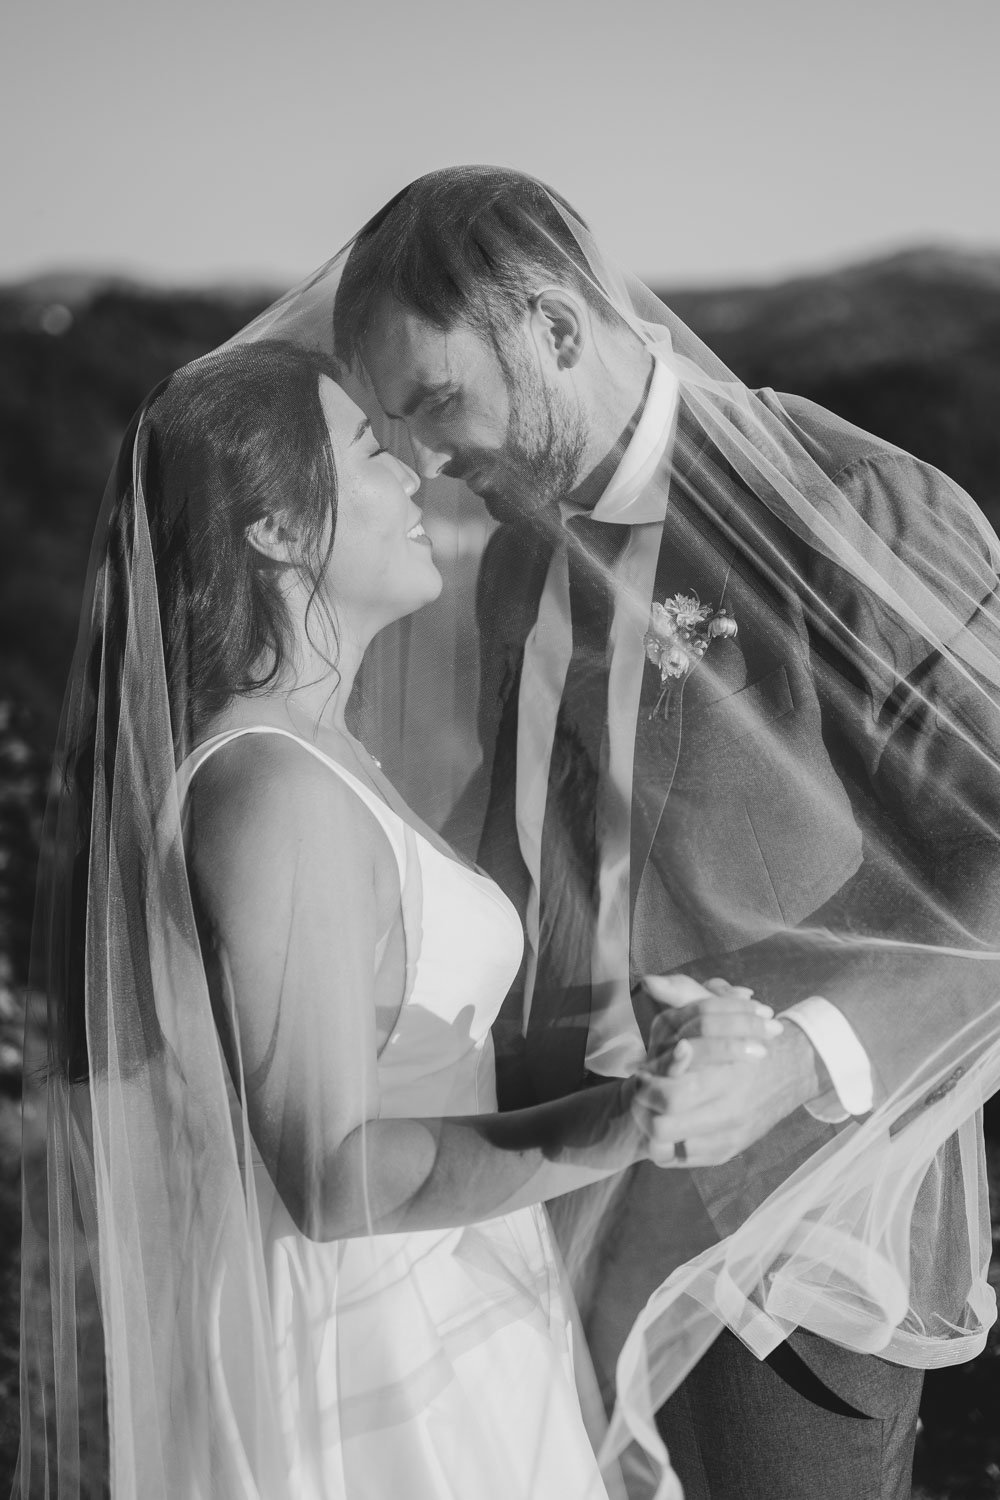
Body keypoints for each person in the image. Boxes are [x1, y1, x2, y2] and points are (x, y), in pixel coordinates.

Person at [331, 166, 1000, 1500]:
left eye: (434, 402)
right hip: (548, 1181)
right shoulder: (521, 550)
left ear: (559, 331)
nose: (416, 456)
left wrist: (799, 1061)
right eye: (388, 424)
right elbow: (542, 844)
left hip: (788, 1217)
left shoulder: (849, 509)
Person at [13, 335, 775, 1499]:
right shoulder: (270, 791)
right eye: (370, 452)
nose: (413, 478)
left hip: (451, 1290)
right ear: (274, 526)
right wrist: (628, 1120)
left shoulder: (331, 759)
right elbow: (331, 1175)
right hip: (360, 1349)